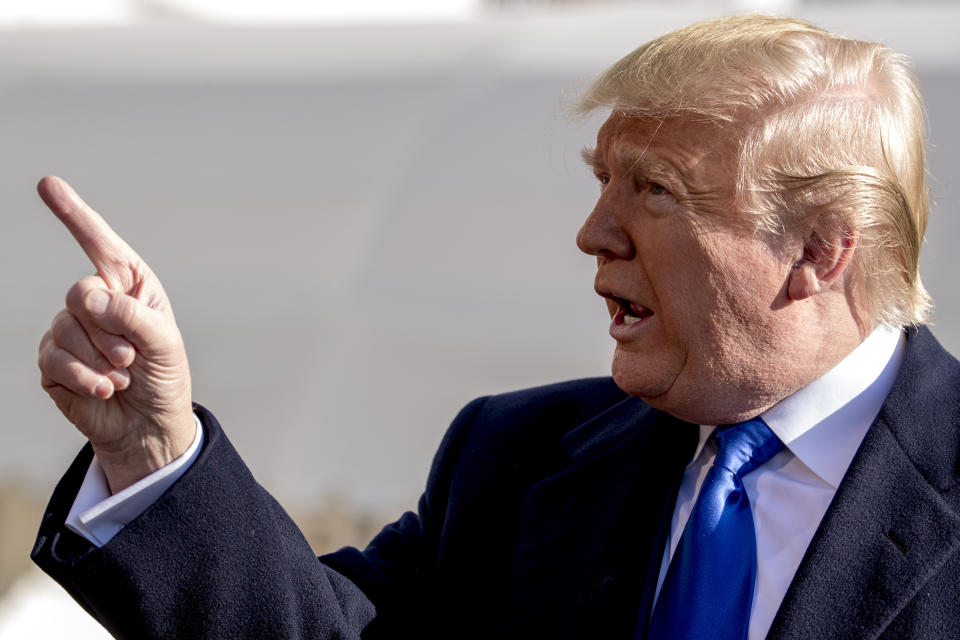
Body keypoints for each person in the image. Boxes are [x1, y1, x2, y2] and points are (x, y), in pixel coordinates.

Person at [31, 14, 960, 640]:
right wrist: (156, 444)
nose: (595, 232)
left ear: (817, 250)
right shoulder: (514, 459)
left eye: (656, 189)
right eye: (600, 178)